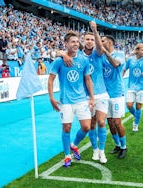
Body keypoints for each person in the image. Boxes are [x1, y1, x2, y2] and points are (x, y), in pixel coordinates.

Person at [58, 21, 109, 164]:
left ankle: (102, 152)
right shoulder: (78, 56)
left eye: (92, 39)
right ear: (83, 41)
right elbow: (59, 52)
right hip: (84, 96)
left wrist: (94, 30)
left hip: (101, 94)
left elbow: (100, 46)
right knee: (90, 125)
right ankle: (94, 150)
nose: (90, 41)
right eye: (87, 39)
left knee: (101, 122)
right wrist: (62, 53)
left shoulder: (98, 54)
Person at [48, 31, 94, 167]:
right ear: (66, 44)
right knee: (67, 127)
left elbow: (88, 79)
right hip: (65, 101)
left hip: (81, 99)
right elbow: (50, 80)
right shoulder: (59, 61)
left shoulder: (83, 60)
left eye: (77, 41)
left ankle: (74, 145)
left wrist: (91, 97)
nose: (75, 44)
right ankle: (67, 156)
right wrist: (51, 98)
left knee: (86, 127)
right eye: (72, 42)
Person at [101, 35, 127, 159]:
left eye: (103, 41)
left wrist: (105, 52)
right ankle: (117, 145)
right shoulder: (100, 57)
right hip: (106, 94)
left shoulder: (120, 54)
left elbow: (116, 64)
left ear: (110, 42)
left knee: (117, 122)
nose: (100, 43)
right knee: (110, 122)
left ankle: (124, 147)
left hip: (117, 93)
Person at [122, 43, 143, 132]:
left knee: (138, 106)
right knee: (129, 105)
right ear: (137, 50)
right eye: (142, 50)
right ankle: (136, 116)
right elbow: (124, 69)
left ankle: (135, 124)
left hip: (142, 87)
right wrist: (120, 79)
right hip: (131, 86)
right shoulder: (130, 60)